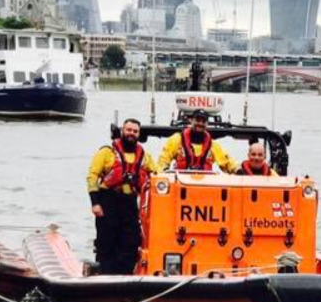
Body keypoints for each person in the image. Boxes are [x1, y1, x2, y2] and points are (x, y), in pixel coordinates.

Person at [86, 118, 157, 275]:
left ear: (139, 134)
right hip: (108, 201)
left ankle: (125, 276)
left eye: (135, 131)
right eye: (128, 130)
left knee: (131, 242)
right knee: (106, 242)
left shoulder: (145, 156)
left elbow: (157, 175)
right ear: (122, 131)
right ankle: (103, 275)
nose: (131, 133)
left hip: (130, 203)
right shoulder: (106, 152)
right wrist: (95, 203)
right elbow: (92, 177)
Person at [157, 108, 239, 172]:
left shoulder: (213, 145)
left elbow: (227, 162)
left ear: (207, 124)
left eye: (203, 121)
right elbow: (163, 160)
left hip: (204, 185)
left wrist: (238, 170)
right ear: (191, 120)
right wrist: (163, 172)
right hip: (181, 184)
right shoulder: (176, 139)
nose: (200, 123)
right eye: (198, 120)